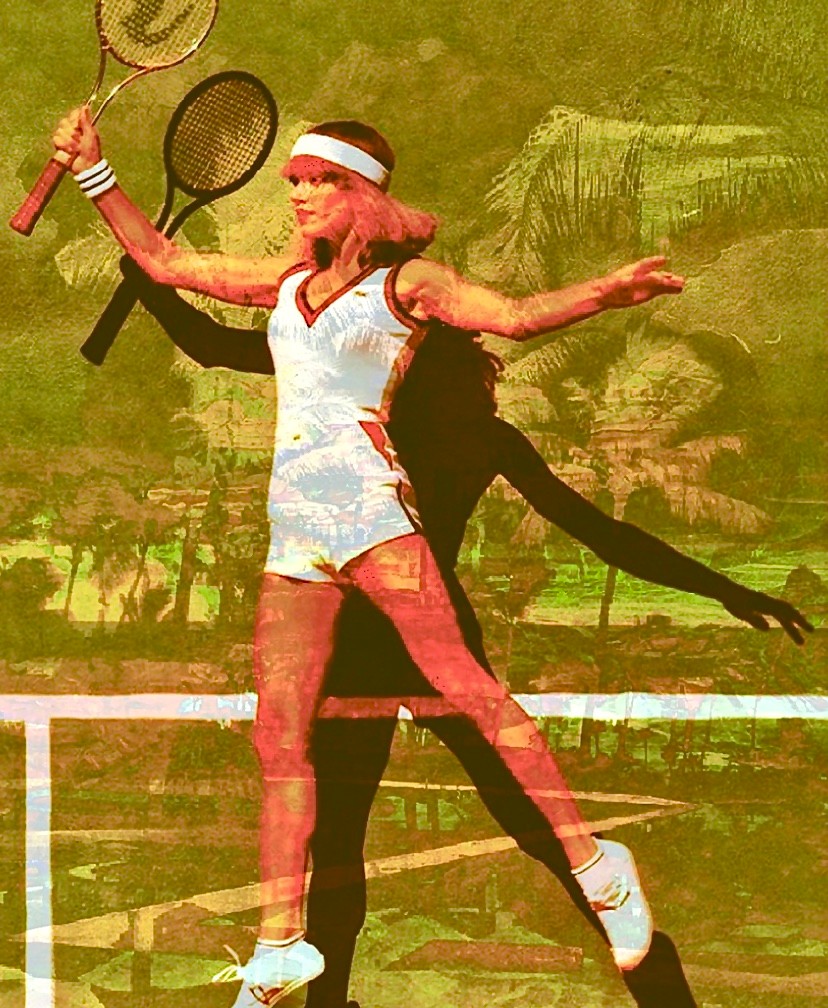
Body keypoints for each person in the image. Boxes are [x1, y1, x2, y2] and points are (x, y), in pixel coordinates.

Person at [49, 107, 805, 1007]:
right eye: (295, 181)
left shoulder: (413, 310)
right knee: (296, 777)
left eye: (320, 180)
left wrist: (605, 293)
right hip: (314, 567)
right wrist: (100, 181)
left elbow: (517, 321)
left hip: (377, 552)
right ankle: (286, 949)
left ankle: (604, 881)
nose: (299, 194)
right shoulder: (295, 295)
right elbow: (176, 271)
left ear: (364, 195)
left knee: (473, 736)